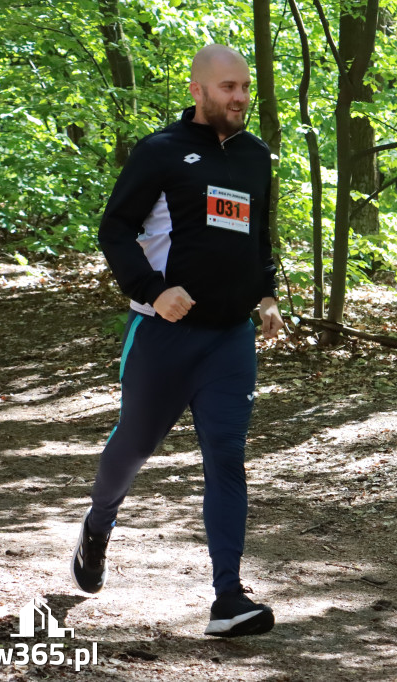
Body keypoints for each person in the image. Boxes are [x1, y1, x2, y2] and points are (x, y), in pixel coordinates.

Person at [70, 44, 282, 639]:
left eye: (244, 87)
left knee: (226, 461)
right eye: (227, 88)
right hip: (163, 337)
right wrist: (152, 289)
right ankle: (99, 523)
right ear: (198, 91)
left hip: (229, 341)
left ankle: (228, 598)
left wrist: (265, 296)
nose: (240, 97)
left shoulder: (256, 157)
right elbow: (114, 229)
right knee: (132, 447)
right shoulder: (161, 152)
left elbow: (257, 239)